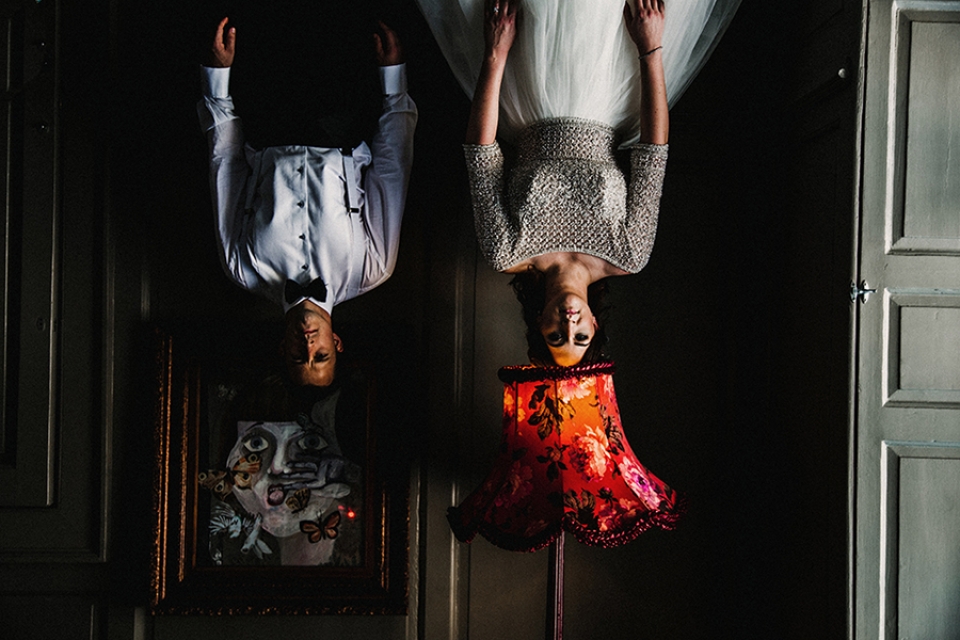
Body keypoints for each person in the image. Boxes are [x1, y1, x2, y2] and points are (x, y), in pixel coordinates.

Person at [415, 0, 738, 366]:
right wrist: (650, 47)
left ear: (539, 323)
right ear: (596, 325)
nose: (570, 325)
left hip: (531, 86)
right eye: (581, 337)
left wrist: (496, 53)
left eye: (555, 336)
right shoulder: (630, 255)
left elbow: (481, 153)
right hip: (608, 84)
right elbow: (653, 154)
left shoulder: (505, 252)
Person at [198, 17, 418, 386]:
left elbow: (226, 169)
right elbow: (392, 168)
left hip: (265, 110)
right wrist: (393, 79)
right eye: (321, 356)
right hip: (342, 110)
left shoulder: (243, 269)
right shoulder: (372, 269)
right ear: (337, 343)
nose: (308, 344)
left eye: (300, 357)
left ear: (282, 349)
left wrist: (217, 81)